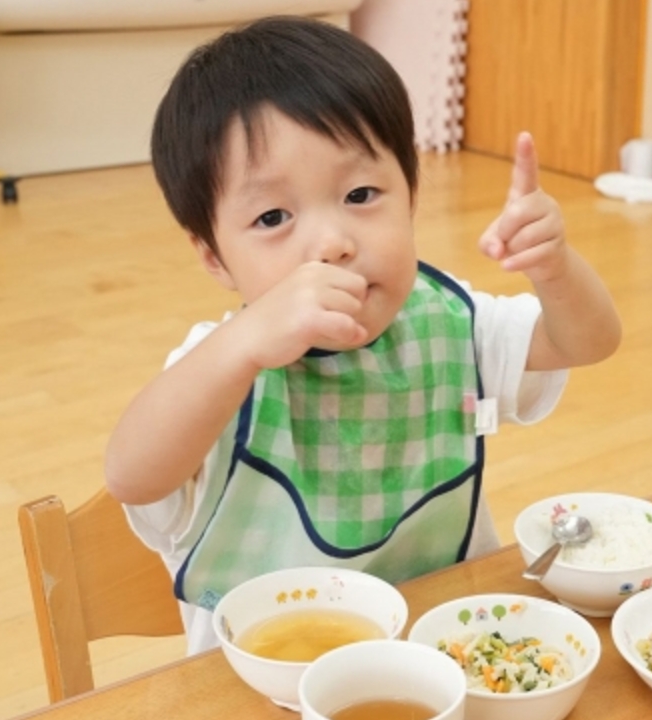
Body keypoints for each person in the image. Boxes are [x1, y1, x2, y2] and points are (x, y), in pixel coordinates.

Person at [104, 15, 621, 654]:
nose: (332, 243)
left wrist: (556, 268)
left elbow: (585, 342)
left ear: (410, 196)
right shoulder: (219, 372)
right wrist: (240, 348)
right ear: (214, 257)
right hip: (269, 685)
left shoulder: (448, 324)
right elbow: (132, 477)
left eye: (361, 193)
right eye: (272, 216)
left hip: (446, 662)